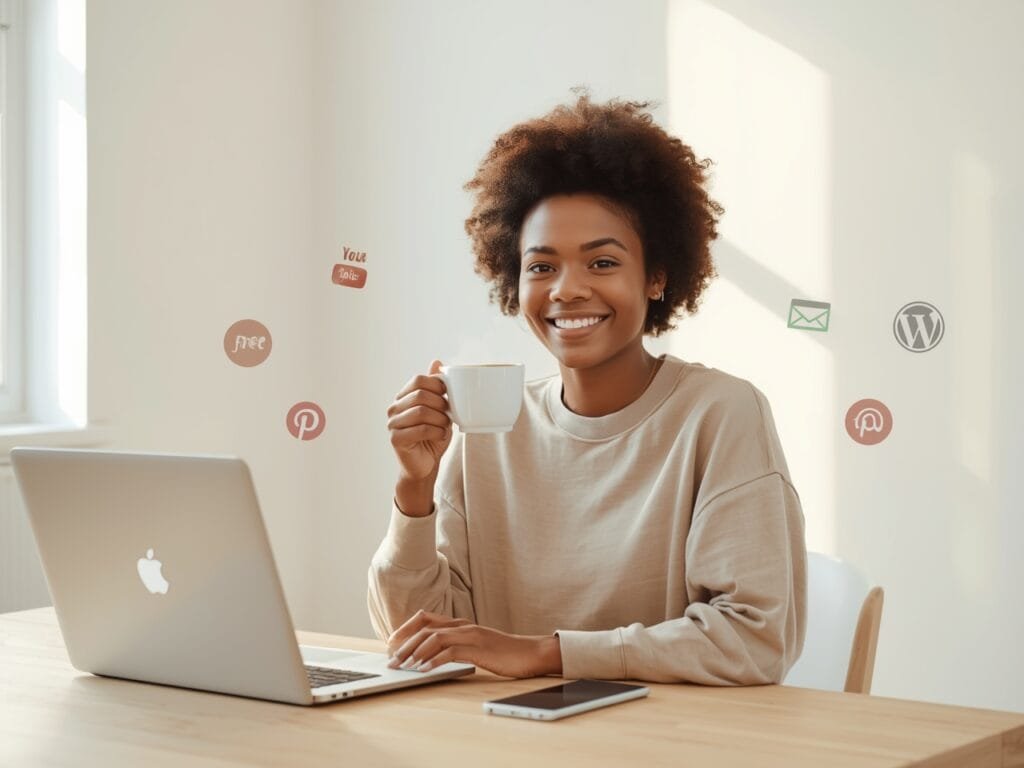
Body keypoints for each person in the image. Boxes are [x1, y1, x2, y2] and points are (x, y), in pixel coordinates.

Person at [367, 91, 807, 684]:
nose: (567, 290)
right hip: (506, 738)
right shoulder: (487, 431)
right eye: (541, 266)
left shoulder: (720, 414)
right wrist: (413, 486)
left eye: (601, 263)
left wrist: (546, 653)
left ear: (656, 276)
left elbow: (754, 639)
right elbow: (418, 638)